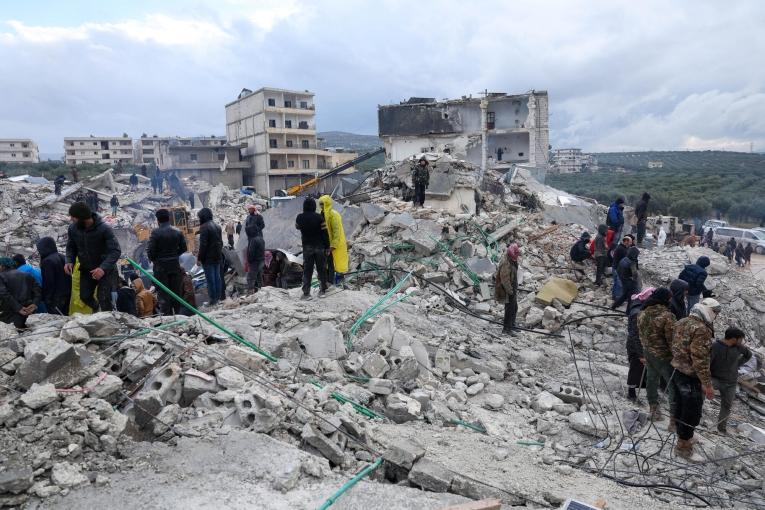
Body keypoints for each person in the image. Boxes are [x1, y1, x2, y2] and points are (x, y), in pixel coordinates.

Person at [671, 298, 721, 461]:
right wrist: (707, 384)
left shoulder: (683, 321)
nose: (716, 316)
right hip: (690, 376)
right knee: (692, 411)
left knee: (680, 405)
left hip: (677, 370)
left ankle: (682, 436)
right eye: (716, 312)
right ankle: (683, 447)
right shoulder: (701, 329)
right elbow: (700, 359)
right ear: (708, 311)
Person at [65, 202, 121, 312]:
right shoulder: (73, 229)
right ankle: (97, 310)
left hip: (106, 270)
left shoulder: (104, 229)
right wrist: (69, 261)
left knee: (104, 299)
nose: (71, 219)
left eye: (74, 217)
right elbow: (71, 247)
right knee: (84, 296)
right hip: (87, 269)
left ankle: (108, 322)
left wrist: (102, 268)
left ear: (82, 218)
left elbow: (115, 251)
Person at [637, 287, 676, 423]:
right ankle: (674, 421)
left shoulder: (642, 313)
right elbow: (672, 340)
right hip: (664, 356)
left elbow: (640, 335)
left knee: (652, 380)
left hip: (648, 352)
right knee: (673, 386)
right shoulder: (667, 316)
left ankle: (654, 410)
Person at [147, 208, 188, 315]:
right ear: (169, 218)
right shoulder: (178, 231)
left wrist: (156, 260)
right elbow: (184, 248)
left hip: (160, 268)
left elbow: (150, 252)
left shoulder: (155, 233)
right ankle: (178, 315)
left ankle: (167, 316)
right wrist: (174, 256)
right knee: (176, 292)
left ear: (158, 220)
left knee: (163, 293)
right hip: (175, 266)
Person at [710, 327, 750, 434]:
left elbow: (748, 355)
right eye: (740, 339)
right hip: (715, 379)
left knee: (727, 405)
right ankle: (695, 420)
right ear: (733, 339)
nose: (741, 342)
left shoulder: (738, 347)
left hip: (731, 382)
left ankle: (721, 429)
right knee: (699, 394)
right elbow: (708, 363)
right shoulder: (715, 347)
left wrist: (737, 364)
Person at [295, 197, 329, 299]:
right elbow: (325, 233)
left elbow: (297, 227)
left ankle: (306, 293)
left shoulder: (299, 217)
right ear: (314, 206)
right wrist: (327, 246)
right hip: (320, 247)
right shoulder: (319, 217)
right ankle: (322, 291)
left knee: (307, 270)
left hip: (307, 247)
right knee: (321, 269)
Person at [626, 287, 653, 402]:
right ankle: (631, 393)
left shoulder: (639, 307)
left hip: (640, 345)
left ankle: (636, 390)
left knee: (639, 369)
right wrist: (640, 354)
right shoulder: (637, 313)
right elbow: (635, 335)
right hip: (635, 346)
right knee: (635, 369)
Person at [0, 257, 41, 328]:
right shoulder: (27, 275)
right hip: (28, 313)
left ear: (2, 266)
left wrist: (18, 308)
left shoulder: (1, 276)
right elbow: (38, 291)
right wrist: (34, 304)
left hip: (9, 313)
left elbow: (4, 294)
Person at [36, 236, 71, 315]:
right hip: (68, 294)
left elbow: (49, 282)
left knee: (57, 320)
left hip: (56, 298)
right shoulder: (63, 257)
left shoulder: (47, 261)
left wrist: (47, 299)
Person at [318, 195, 348, 285]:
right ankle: (328, 282)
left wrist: (333, 245)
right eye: (320, 204)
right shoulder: (321, 214)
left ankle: (336, 282)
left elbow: (336, 231)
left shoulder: (333, 215)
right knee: (328, 264)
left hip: (335, 243)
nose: (321, 206)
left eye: (322, 204)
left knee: (337, 263)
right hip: (326, 243)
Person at [197, 207, 224, 305]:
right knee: (217, 278)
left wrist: (199, 258)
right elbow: (220, 243)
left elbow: (203, 245)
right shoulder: (217, 226)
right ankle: (218, 298)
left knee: (210, 279)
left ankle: (213, 300)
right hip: (217, 256)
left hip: (208, 258)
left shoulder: (204, 227)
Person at [495, 243, 520, 335]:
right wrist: (510, 291)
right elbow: (505, 280)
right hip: (506, 289)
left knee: (514, 307)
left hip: (512, 287)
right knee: (509, 309)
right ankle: (506, 329)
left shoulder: (512, 260)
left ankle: (512, 325)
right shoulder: (506, 262)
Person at [613, 246, 640, 311]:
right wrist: (635, 282)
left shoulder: (624, 259)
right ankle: (628, 312)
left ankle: (614, 306)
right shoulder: (632, 262)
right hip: (630, 282)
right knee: (632, 297)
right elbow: (635, 274)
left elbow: (618, 270)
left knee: (624, 295)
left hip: (623, 280)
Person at [245, 220, 265, 292]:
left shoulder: (253, 240)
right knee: (259, 277)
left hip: (255, 262)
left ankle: (251, 293)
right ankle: (261, 291)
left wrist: (250, 262)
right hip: (261, 260)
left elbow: (251, 253)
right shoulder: (261, 238)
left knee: (250, 278)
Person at [611, 235, 633, 300]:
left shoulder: (621, 247)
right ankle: (618, 297)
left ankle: (614, 296)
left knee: (616, 283)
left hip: (615, 267)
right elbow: (625, 261)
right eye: (630, 242)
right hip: (617, 269)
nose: (631, 244)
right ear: (626, 241)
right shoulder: (622, 249)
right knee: (619, 283)